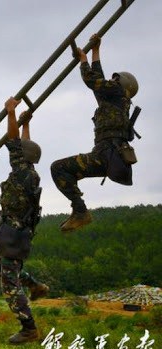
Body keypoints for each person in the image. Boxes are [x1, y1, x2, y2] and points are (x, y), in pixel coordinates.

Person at [51, 34, 139, 232]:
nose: (111, 80)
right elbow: (98, 85)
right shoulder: (114, 101)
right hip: (107, 156)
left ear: (120, 83)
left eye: (114, 79)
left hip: (106, 155)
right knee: (62, 170)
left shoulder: (117, 93)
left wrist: (83, 58)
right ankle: (79, 210)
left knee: (58, 168)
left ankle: (80, 211)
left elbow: (93, 81)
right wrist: (95, 51)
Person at [0, 97, 49, 345]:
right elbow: (23, 144)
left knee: (9, 282)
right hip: (14, 232)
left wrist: (11, 113)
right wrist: (27, 123)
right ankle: (36, 286)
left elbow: (14, 142)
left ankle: (29, 328)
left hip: (14, 234)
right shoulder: (29, 171)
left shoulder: (23, 171)